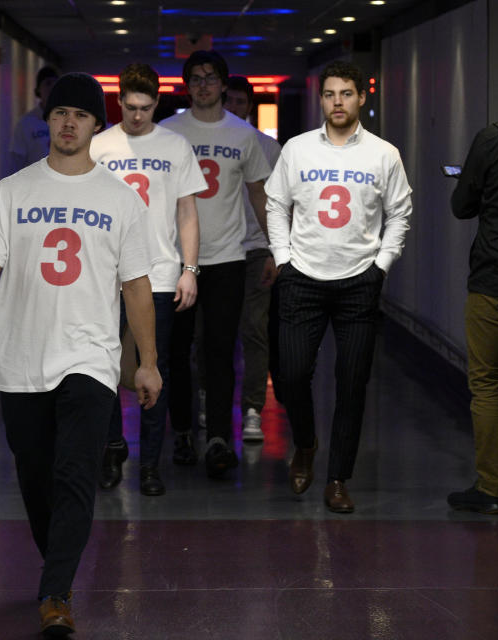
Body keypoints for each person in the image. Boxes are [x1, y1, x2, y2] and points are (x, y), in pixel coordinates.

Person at [0, 72, 162, 637]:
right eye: (59, 113)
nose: (69, 122)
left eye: (81, 114)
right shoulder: (13, 190)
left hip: (89, 357)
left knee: (75, 472)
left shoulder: (119, 200)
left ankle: (55, 592)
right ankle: (58, 567)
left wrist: (145, 361)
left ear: (98, 124)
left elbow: (137, 286)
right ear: (47, 121)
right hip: (20, 356)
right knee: (35, 472)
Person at [266, 60, 412, 513]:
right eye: (330, 94)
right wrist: (284, 261)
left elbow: (400, 213)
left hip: (358, 284)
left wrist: (381, 267)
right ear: (321, 99)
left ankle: (337, 479)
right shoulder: (297, 149)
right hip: (301, 279)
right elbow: (276, 204)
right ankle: (306, 442)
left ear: (361, 97)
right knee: (290, 375)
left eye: (346, 93)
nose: (337, 102)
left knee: (351, 383)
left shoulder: (383, 154)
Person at [90, 63, 206, 496]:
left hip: (157, 274)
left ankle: (151, 466)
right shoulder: (99, 146)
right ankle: (114, 445)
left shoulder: (176, 146)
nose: (137, 115)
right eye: (130, 106)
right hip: (104, 276)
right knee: (102, 368)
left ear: (157, 102)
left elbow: (187, 213)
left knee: (154, 367)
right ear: (119, 100)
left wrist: (189, 270)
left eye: (145, 107)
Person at [160, 50, 272, 479]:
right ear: (186, 85)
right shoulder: (169, 132)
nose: (203, 84)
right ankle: (184, 431)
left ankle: (220, 438)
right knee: (177, 351)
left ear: (224, 84)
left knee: (221, 351)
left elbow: (259, 195)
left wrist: (276, 247)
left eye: (210, 77)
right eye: (196, 78)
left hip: (227, 258)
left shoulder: (244, 135)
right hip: (174, 260)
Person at [446, 63, 498, 515]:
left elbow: (461, 206)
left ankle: (491, 489)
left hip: (495, 278)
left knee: (488, 383)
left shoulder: (493, 139)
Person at [224, 75, 281, 443]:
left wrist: (277, 250)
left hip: (256, 248)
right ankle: (207, 398)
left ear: (250, 106)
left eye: (240, 102)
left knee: (255, 331)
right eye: (228, 101)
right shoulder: (203, 144)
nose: (234, 108)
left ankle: (253, 409)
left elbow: (279, 203)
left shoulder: (269, 148)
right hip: (217, 249)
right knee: (209, 333)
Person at [8, 66, 59, 174]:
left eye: (55, 84)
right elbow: (17, 162)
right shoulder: (26, 124)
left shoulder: (68, 120)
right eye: (48, 83)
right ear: (38, 89)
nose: (52, 88)